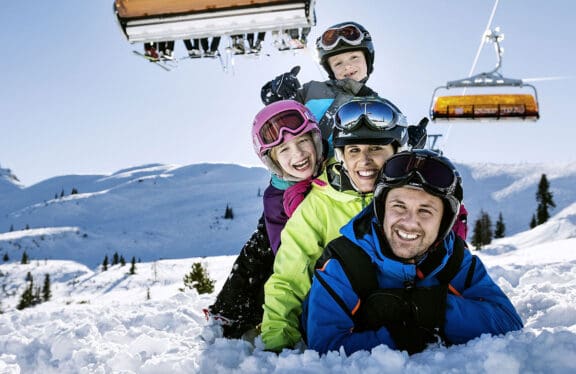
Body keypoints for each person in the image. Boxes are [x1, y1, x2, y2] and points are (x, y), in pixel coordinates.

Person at [303, 150, 524, 355]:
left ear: (444, 222)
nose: (409, 222)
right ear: (381, 210)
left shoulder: (454, 259)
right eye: (399, 206)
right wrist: (397, 338)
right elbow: (326, 347)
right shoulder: (343, 261)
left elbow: (508, 322)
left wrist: (429, 309)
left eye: (425, 211)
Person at [260, 97, 410, 352]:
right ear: (341, 155)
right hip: (341, 319)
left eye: (376, 148)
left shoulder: (412, 197)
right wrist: (277, 342)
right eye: (354, 150)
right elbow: (289, 275)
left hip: (404, 310)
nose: (364, 161)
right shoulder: (318, 205)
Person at [206, 100, 325, 338]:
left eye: (303, 141)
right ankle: (234, 315)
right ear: (273, 161)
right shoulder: (276, 197)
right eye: (284, 150)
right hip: (301, 266)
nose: (298, 154)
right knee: (260, 258)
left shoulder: (333, 173)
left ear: (316, 141)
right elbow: (285, 255)